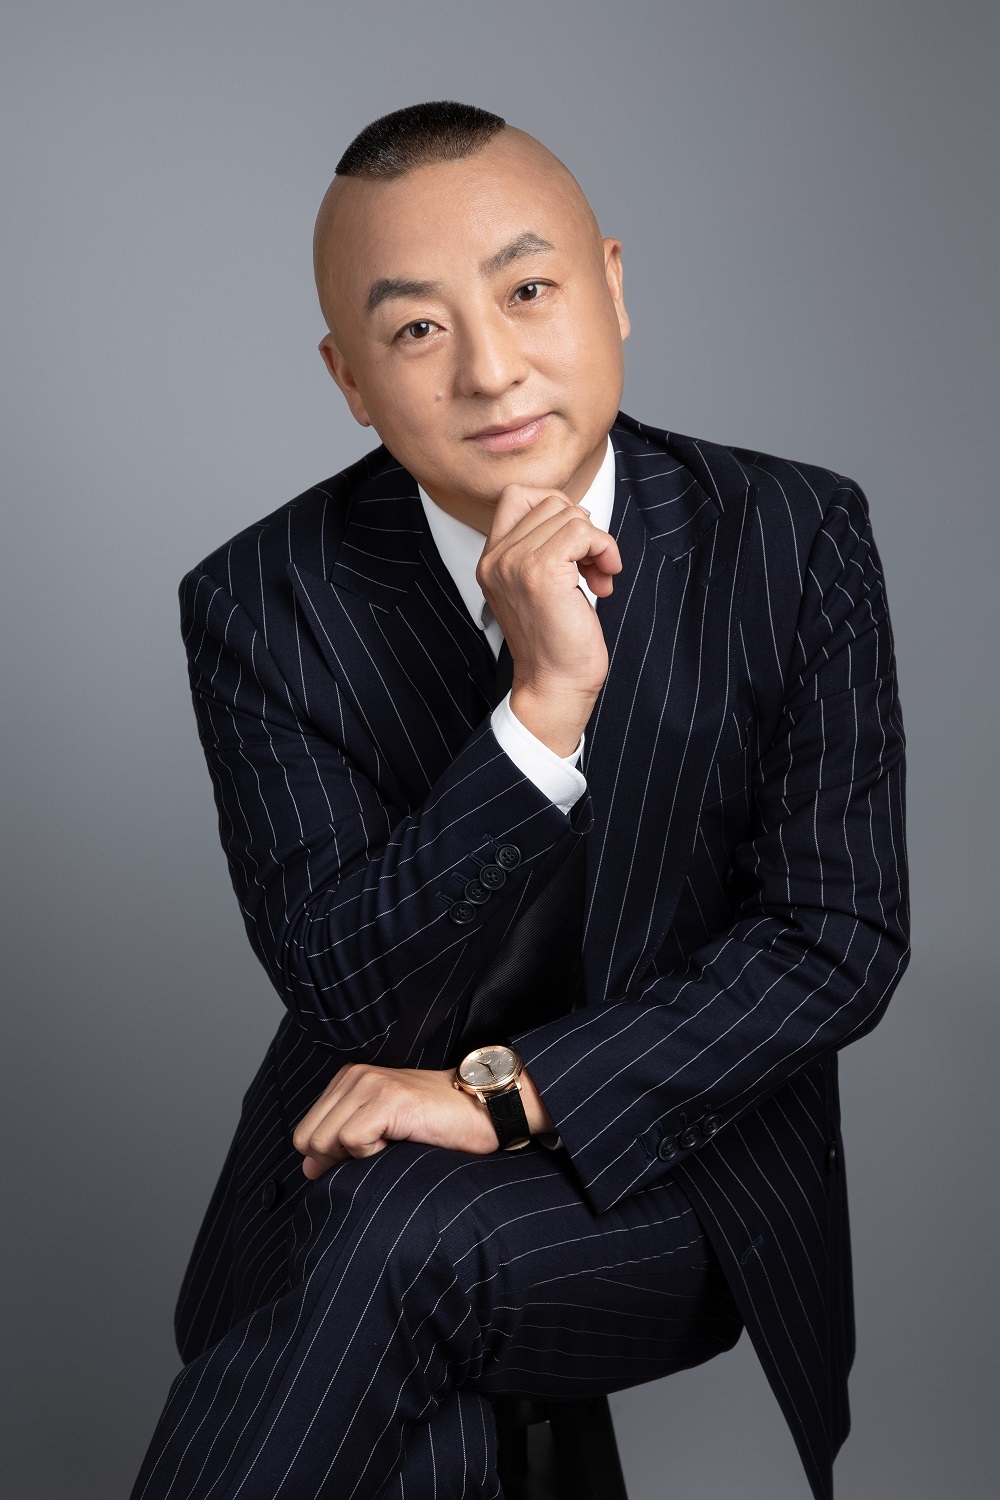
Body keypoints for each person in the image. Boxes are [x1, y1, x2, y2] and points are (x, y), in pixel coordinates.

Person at [131, 101, 908, 1500]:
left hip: (673, 1171)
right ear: (349, 378)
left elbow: (835, 939)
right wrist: (540, 713)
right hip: (356, 1179)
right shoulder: (261, 599)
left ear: (612, 286)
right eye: (417, 329)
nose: (490, 370)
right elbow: (345, 986)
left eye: (529, 291)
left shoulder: (791, 536)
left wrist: (505, 1101)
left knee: (390, 1249)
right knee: (409, 1364)